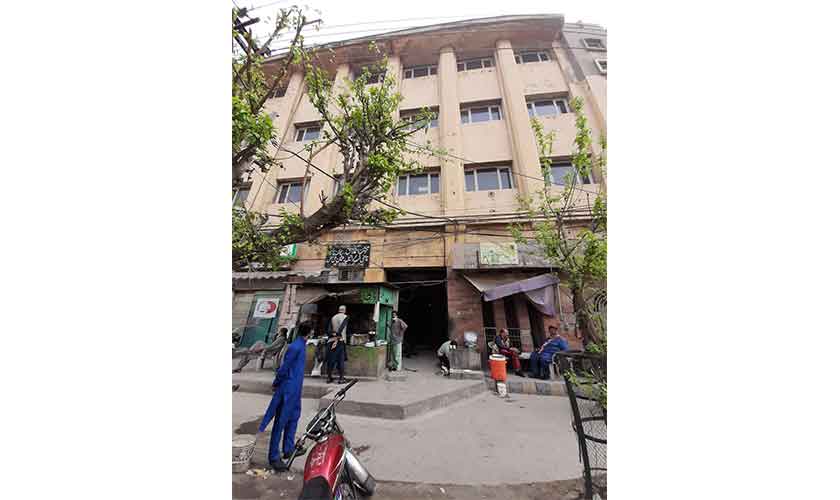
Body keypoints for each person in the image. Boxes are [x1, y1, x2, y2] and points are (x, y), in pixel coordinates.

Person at [258, 322, 312, 471]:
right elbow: (284, 368)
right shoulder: (295, 347)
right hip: (287, 390)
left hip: (295, 389)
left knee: (293, 418)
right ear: (310, 333)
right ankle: (273, 457)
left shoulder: (302, 345)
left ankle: (288, 449)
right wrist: (276, 383)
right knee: (280, 422)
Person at [326, 305, 350, 384]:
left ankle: (329, 378)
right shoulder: (345, 317)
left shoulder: (333, 317)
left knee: (331, 360)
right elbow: (342, 327)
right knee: (341, 360)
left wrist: (333, 334)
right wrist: (338, 334)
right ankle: (341, 378)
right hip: (340, 341)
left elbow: (328, 330)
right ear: (344, 310)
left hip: (331, 341)